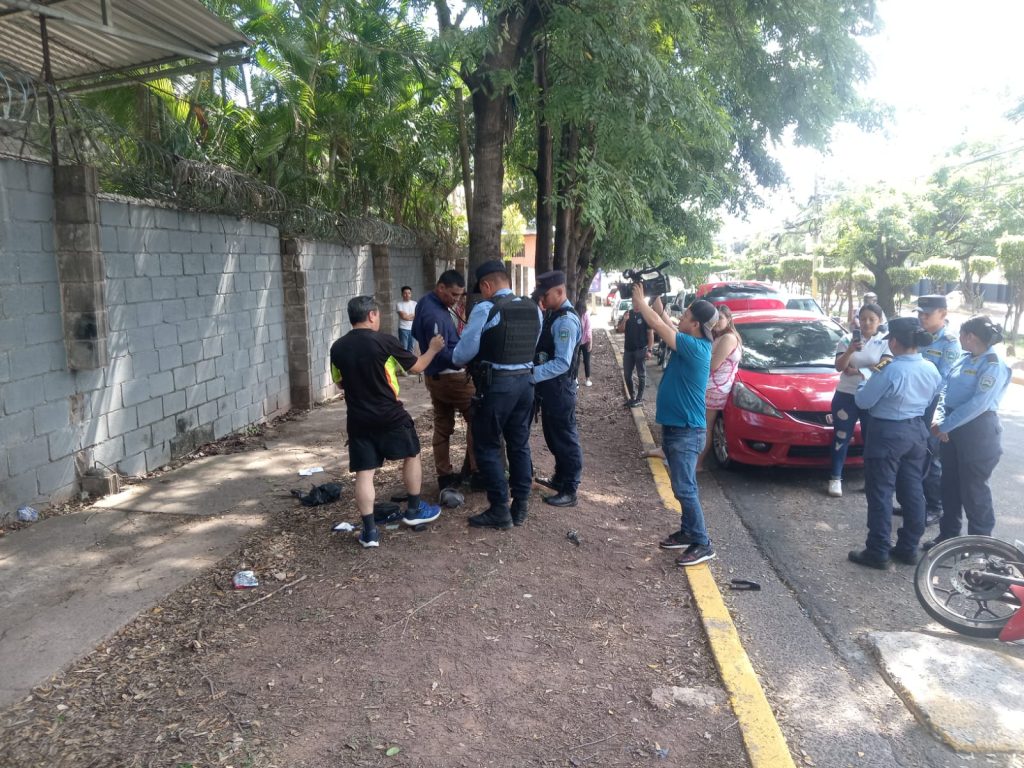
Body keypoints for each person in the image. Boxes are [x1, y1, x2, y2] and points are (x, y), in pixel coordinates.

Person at [329, 296, 445, 548]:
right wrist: (434, 348)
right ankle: (414, 511)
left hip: (358, 419)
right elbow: (417, 367)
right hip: (390, 415)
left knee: (364, 472)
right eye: (378, 315)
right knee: (412, 454)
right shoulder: (385, 342)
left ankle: (369, 531)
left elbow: (339, 382)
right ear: (371, 315)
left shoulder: (337, 347)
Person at [631, 285, 719, 567]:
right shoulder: (690, 339)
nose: (680, 318)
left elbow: (658, 324)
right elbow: (665, 320)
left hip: (687, 430)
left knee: (685, 488)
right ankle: (688, 531)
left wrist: (639, 301)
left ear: (695, 324)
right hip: (677, 427)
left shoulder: (695, 348)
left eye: (686, 316)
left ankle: (703, 542)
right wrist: (656, 301)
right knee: (680, 485)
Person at [453, 261, 542, 529]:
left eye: (482, 290)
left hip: (497, 387)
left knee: (488, 445)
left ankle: (499, 509)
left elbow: (461, 355)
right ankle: (521, 504)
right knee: (519, 443)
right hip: (526, 385)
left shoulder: (485, 309)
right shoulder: (533, 308)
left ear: (486, 285)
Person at [848, 317, 941, 569]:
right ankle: (908, 547)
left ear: (895, 341)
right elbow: (933, 397)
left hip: (887, 433)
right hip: (915, 432)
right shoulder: (930, 368)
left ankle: (877, 550)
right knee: (913, 492)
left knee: (880, 492)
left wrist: (865, 382)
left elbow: (864, 402)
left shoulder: (890, 369)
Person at [925, 315, 1011, 549]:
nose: (959, 337)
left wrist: (945, 425)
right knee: (949, 484)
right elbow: (946, 390)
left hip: (978, 431)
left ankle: (978, 546)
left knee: (973, 490)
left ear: (970, 337)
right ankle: (948, 537)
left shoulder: (993, 365)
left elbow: (979, 404)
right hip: (952, 429)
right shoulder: (964, 359)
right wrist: (940, 418)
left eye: (962, 334)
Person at [412, 270, 478, 490]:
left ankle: (444, 475)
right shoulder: (434, 314)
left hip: (435, 377)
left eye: (460, 295)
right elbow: (439, 351)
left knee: (442, 425)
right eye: (453, 294)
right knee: (477, 419)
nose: (456, 299)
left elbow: (414, 332)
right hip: (452, 377)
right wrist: (465, 361)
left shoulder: (424, 303)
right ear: (440, 288)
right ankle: (475, 472)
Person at [533, 271, 584, 509]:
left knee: (565, 438)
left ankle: (570, 489)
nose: (542, 298)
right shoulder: (554, 314)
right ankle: (560, 479)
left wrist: (532, 375)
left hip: (560, 389)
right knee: (553, 436)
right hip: (551, 389)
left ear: (560, 292)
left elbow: (562, 362)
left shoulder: (565, 321)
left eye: (546, 294)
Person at [827, 303, 888, 497]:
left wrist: (859, 370)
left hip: (873, 397)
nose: (867, 323)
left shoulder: (886, 341)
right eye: (863, 319)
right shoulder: (847, 339)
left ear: (880, 321)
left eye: (872, 319)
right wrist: (851, 351)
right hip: (846, 395)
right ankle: (835, 479)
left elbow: (885, 365)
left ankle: (870, 480)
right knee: (841, 437)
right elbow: (840, 367)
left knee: (871, 439)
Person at [914, 294, 962, 525]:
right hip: (914, 403)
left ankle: (934, 506)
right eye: (920, 313)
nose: (922, 317)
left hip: (933, 404)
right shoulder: (919, 335)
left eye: (927, 313)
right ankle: (914, 502)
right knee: (914, 454)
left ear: (943, 314)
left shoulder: (949, 342)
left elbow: (945, 379)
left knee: (931, 458)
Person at [699, 305, 742, 470]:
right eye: (715, 319)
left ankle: (698, 463)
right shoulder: (722, 336)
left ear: (729, 319)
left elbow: (713, 365)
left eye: (721, 319)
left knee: (704, 427)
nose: (717, 323)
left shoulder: (728, 338)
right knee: (702, 426)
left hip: (714, 389)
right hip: (713, 387)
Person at [617, 295, 655, 407]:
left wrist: (650, 350)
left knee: (641, 375)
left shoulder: (645, 315)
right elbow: (620, 330)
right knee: (627, 375)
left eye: (638, 301)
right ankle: (632, 397)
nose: (636, 303)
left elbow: (650, 334)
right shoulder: (627, 313)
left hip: (641, 350)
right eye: (634, 301)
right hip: (628, 350)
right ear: (632, 302)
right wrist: (624, 320)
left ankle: (639, 398)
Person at [577, 298, 593, 386]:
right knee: (585, 361)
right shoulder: (586, 314)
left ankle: (576, 380)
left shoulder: (575, 314)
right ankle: (586, 380)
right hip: (584, 341)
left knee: (577, 361)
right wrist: (590, 343)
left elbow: (588, 329)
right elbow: (588, 330)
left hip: (578, 342)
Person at [395, 286, 417, 353]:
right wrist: (412, 315)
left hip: (413, 329)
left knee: (411, 348)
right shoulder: (399, 304)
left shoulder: (415, 303)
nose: (407, 295)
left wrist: (408, 316)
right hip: (403, 329)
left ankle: (410, 363)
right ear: (402, 294)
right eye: (405, 293)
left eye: (409, 293)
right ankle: (404, 363)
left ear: (411, 294)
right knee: (404, 348)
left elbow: (417, 315)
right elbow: (404, 317)